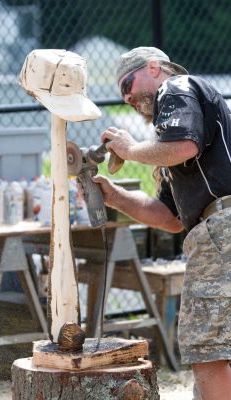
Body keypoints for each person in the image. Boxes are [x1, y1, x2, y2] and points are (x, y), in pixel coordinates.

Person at [93, 47, 231, 400]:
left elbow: (182, 145)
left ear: (155, 68)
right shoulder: (173, 133)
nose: (127, 97)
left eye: (129, 83)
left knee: (207, 349)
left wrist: (129, 149)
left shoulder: (176, 87)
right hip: (217, 226)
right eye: (123, 95)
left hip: (222, 230)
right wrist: (115, 197)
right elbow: (169, 218)